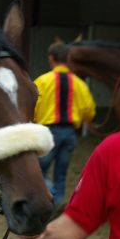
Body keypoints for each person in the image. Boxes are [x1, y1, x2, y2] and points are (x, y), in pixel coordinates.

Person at [34, 42, 96, 209]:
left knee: (39, 171)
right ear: (68, 59)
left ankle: (53, 198)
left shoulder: (42, 81)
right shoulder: (79, 83)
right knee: (61, 172)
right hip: (69, 132)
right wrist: (83, 119)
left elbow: (32, 105)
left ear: (51, 58)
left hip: (48, 132)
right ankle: (59, 201)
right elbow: (89, 109)